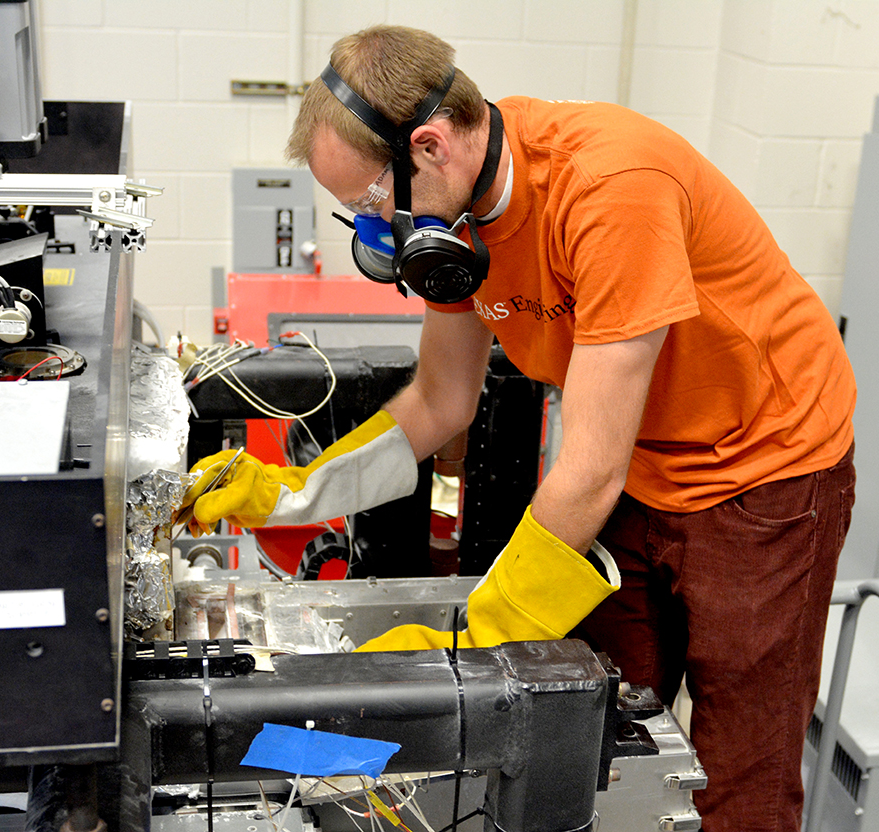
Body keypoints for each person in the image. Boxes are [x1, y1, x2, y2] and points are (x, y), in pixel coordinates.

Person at [178, 25, 856, 832]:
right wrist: (295, 493)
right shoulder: (452, 228)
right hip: (643, 462)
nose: (373, 232)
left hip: (765, 471)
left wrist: (474, 639)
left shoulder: (611, 188)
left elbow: (590, 467)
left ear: (429, 147)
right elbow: (440, 401)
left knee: (740, 765)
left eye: (369, 202)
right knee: (588, 718)